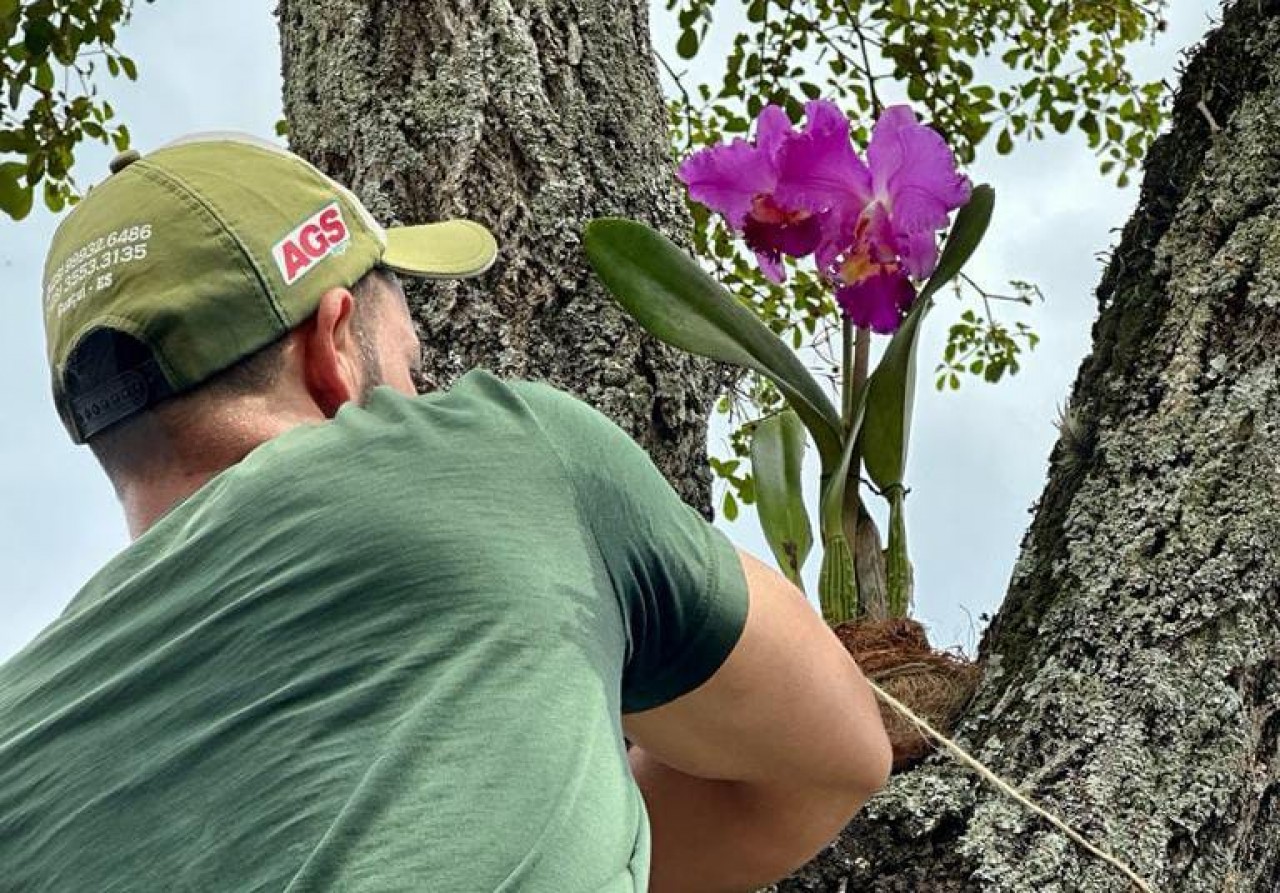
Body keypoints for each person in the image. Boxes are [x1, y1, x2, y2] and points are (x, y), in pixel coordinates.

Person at [0, 132, 891, 892]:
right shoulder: (502, 448)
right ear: (332, 350)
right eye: (414, 365)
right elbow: (835, 751)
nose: (424, 393)